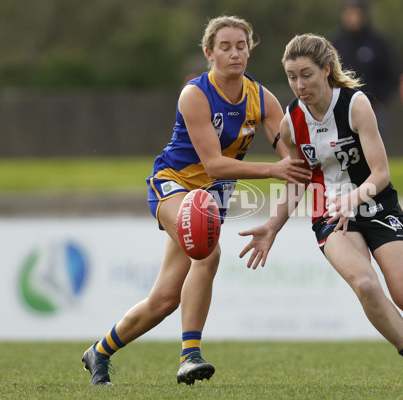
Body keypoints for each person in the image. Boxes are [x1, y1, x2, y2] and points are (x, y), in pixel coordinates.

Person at [239, 33, 403, 390]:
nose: (299, 84)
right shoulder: (290, 123)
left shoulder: (356, 105)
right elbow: (298, 179)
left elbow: (381, 173)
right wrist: (273, 225)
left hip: (376, 203)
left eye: (306, 74)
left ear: (326, 70)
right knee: (365, 284)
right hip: (328, 214)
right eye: (291, 76)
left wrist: (354, 199)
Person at [81, 16, 312, 386]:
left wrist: (308, 165)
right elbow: (214, 164)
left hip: (209, 199)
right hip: (171, 185)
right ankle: (190, 356)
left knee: (165, 300)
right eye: (225, 47)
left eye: (241, 46)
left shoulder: (263, 99)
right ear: (209, 53)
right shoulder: (195, 94)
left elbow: (294, 161)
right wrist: (273, 171)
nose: (235, 53)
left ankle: (99, 352)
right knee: (207, 249)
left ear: (250, 51)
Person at [330, 0, 398, 144]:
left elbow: (390, 76)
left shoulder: (378, 43)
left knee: (374, 153)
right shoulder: (335, 43)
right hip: (341, 109)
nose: (353, 18)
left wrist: (379, 100)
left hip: (373, 110)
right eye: (349, 13)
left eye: (357, 13)